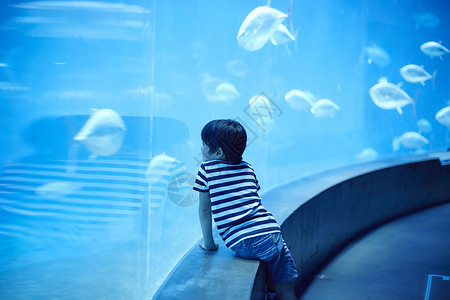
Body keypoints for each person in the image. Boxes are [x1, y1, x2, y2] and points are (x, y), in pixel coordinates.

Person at [193, 119, 298, 300]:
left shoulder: (206, 170)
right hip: (272, 233)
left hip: (245, 242)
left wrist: (209, 244)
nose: (201, 149)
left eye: (204, 144)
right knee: (285, 289)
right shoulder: (248, 168)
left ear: (217, 151)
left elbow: (204, 211)